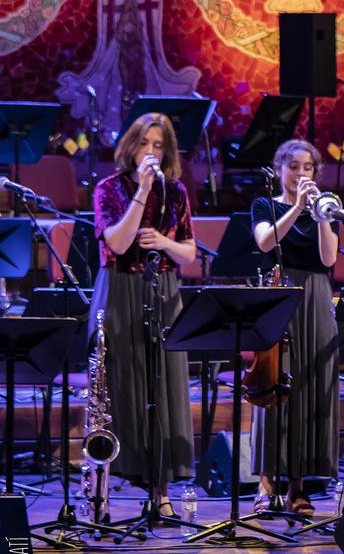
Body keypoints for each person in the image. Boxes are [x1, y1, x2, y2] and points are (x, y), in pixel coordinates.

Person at [91, 112, 196, 518]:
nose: (151, 152)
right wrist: (142, 193)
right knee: (120, 389)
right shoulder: (108, 189)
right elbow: (116, 243)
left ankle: (161, 492)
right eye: (144, 144)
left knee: (164, 388)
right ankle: (105, 489)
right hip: (119, 288)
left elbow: (189, 252)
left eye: (158, 146)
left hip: (163, 289)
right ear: (130, 147)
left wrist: (165, 241)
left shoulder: (178, 193)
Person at [248, 139, 340, 517]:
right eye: (294, 167)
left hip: (316, 295)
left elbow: (329, 258)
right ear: (279, 168)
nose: (301, 174)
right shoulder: (264, 205)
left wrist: (319, 216)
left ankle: (298, 486)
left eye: (307, 168)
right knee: (273, 384)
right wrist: (297, 207)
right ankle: (265, 482)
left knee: (308, 387)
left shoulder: (323, 208)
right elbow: (267, 241)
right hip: (278, 289)